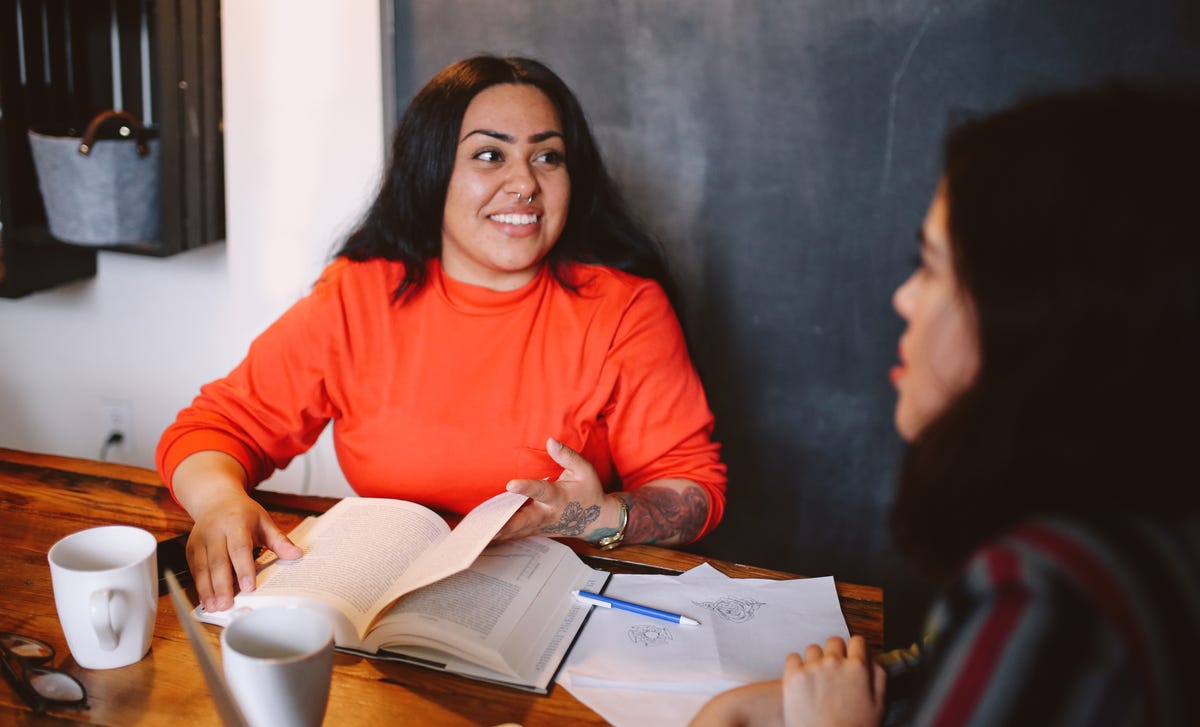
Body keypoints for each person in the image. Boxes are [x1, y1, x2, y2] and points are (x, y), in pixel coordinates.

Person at [691, 81, 1200, 726]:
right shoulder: (1133, 532)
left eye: (931, 267)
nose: (904, 298)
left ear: (1032, 316)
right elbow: (951, 663)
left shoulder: (1050, 598)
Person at [156, 55, 727, 614]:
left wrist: (594, 516)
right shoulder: (357, 296)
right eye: (488, 154)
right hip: (382, 595)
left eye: (547, 156)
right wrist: (219, 501)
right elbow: (218, 427)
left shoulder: (625, 308)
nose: (524, 182)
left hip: (553, 605)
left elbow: (694, 490)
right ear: (432, 172)